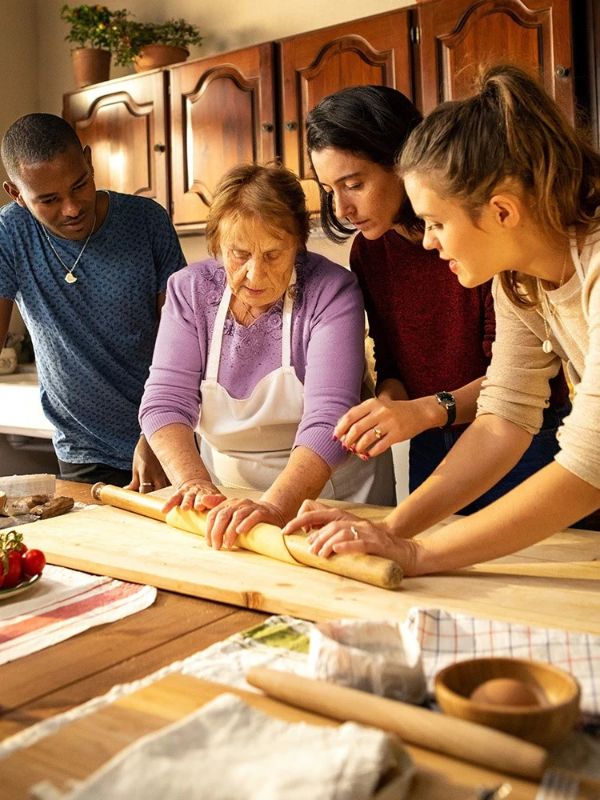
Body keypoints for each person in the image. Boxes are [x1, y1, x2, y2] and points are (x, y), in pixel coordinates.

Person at [284, 65, 600, 574]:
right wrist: (391, 529)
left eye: (436, 222)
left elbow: (591, 462)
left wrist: (415, 553)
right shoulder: (516, 279)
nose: (428, 241)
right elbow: (506, 413)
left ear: (502, 212)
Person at [139, 163, 395, 550]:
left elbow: (330, 417)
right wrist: (194, 484)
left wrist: (275, 505)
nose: (255, 275)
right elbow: (165, 401)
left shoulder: (331, 291)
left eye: (274, 254)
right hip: (224, 497)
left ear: (298, 244)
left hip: (331, 496)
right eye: (238, 255)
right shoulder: (189, 291)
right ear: (217, 246)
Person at [0, 113, 186, 489]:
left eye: (80, 184)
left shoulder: (146, 221)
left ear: (88, 160)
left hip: (166, 437)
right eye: (49, 200)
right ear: (16, 194)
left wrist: (159, 430)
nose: (71, 208)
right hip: (83, 451)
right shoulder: (11, 234)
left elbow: (182, 342)